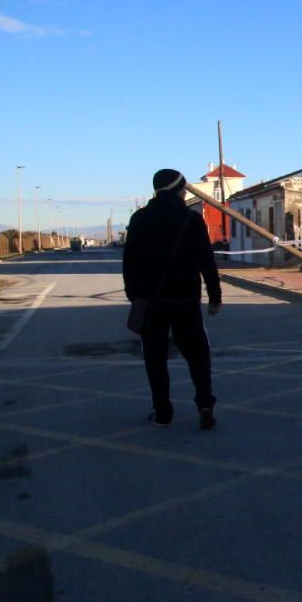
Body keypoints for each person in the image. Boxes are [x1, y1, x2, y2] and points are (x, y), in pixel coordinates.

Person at [123, 169, 222, 429]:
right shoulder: (191, 220)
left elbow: (129, 262)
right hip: (185, 300)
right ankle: (205, 403)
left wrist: (135, 296)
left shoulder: (140, 219)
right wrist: (215, 297)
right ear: (179, 190)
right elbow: (206, 261)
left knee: (155, 358)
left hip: (151, 302)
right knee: (197, 354)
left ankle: (163, 412)